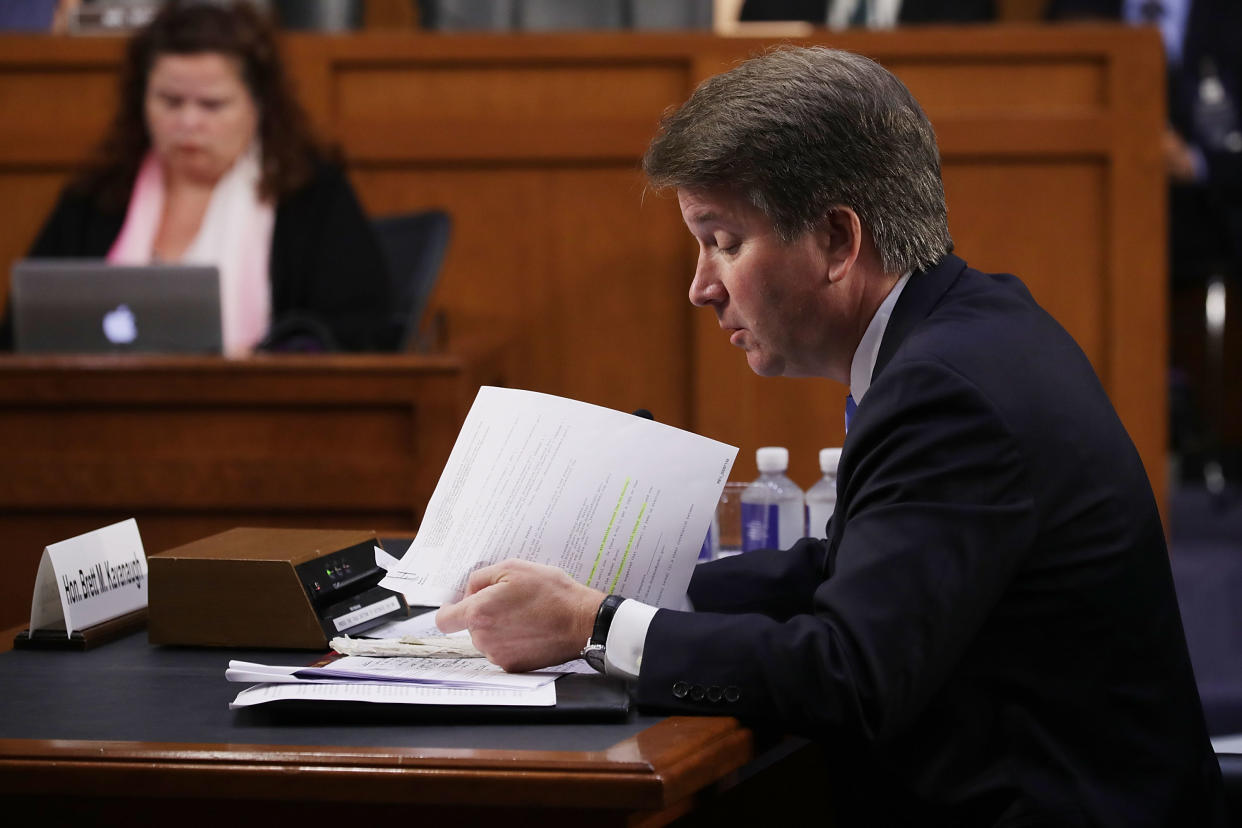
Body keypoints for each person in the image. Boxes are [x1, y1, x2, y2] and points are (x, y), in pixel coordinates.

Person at [435, 47, 1226, 825]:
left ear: (839, 242)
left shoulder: (948, 394)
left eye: (723, 241)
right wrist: (624, 583)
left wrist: (596, 626)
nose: (700, 288)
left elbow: (849, 675)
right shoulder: (973, 326)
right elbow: (849, 568)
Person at [2, 0, 391, 353]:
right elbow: (21, 332)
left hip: (263, 420)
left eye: (212, 105)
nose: (188, 122)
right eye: (170, 102)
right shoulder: (98, 194)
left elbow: (358, 333)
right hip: (99, 415)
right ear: (142, 100)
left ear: (259, 106)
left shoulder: (310, 194)